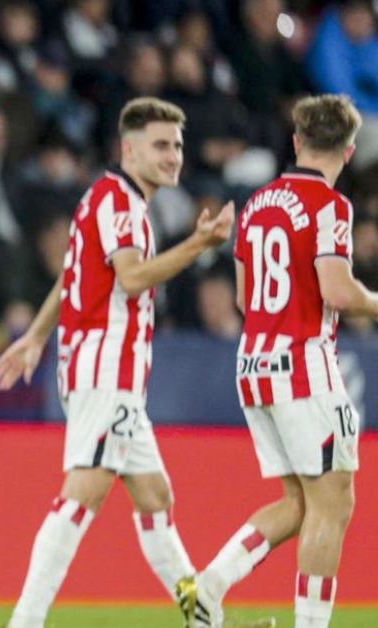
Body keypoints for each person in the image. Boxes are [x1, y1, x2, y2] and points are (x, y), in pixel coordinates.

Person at [0, 97, 234, 628]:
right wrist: (198, 243)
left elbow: (74, 274)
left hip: (108, 372)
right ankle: (24, 622)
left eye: (177, 146)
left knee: (155, 498)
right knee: (82, 495)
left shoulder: (106, 197)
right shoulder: (120, 203)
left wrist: (36, 335)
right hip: (106, 371)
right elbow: (132, 277)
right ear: (129, 149)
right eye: (161, 145)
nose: (173, 156)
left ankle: (204, 621)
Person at [184, 95, 368, 628]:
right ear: (349, 151)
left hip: (254, 365)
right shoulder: (331, 206)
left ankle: (208, 587)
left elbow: (246, 299)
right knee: (334, 504)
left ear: (296, 141)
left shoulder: (258, 202)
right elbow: (338, 290)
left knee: (299, 503)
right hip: (304, 365)